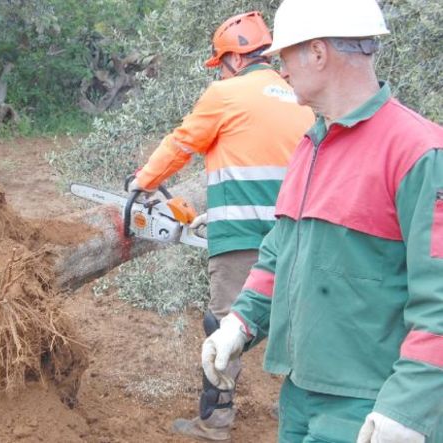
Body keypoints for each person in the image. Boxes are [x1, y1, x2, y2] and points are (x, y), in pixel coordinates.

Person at [201, 0, 443, 442]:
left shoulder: (419, 154)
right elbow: (280, 251)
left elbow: (440, 301)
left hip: (372, 406)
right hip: (299, 397)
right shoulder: (311, 145)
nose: (282, 71)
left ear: (318, 53)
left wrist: (410, 408)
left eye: (286, 57)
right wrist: (241, 321)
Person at [128, 10, 314, 441]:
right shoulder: (298, 94)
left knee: (224, 325)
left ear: (232, 59)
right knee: (300, 326)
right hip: (299, 235)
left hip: (242, 238)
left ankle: (215, 421)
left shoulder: (225, 94)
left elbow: (182, 143)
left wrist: (143, 183)